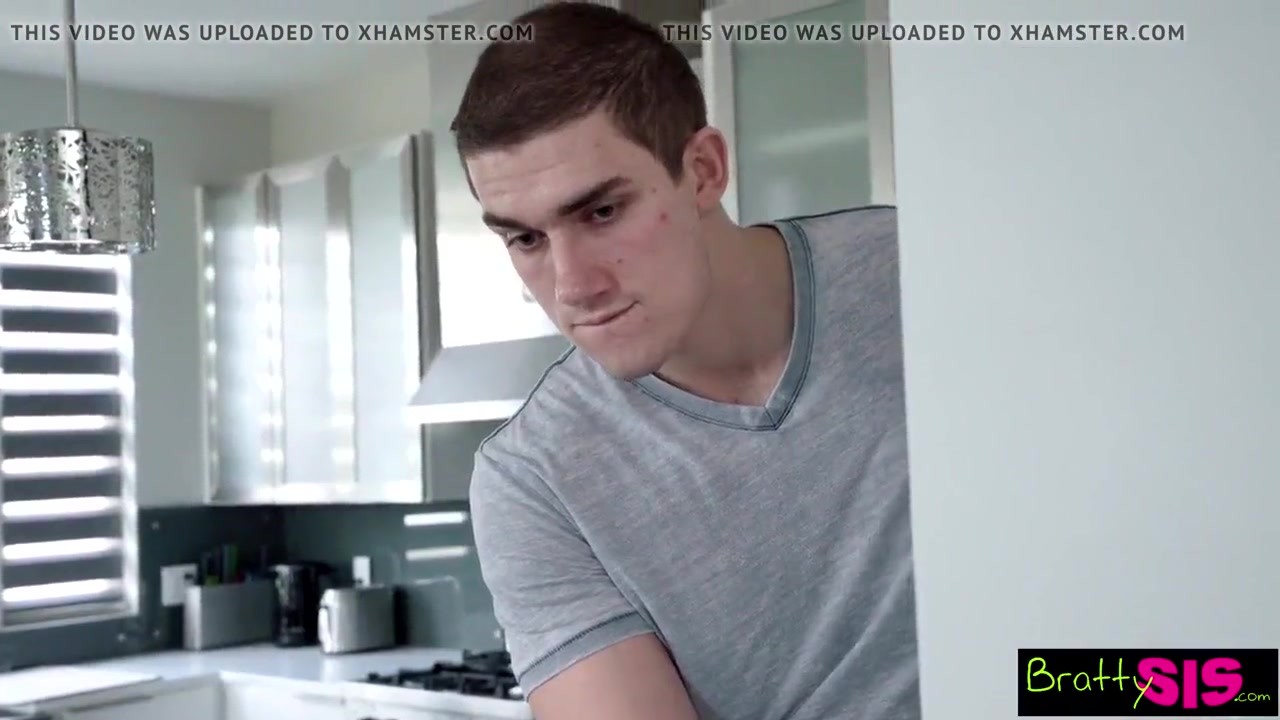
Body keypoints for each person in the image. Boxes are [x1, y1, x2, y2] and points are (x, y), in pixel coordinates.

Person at [452, 3, 921, 718]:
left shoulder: (918, 276)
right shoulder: (536, 480)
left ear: (703, 170)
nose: (571, 286)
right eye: (526, 239)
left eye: (601, 213)